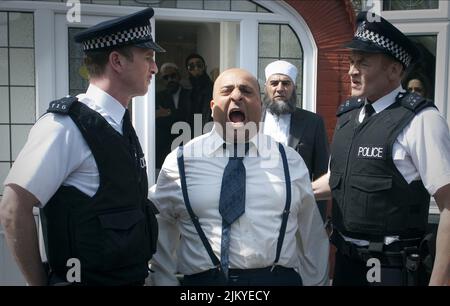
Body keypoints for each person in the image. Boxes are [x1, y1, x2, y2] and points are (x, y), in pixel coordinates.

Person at [0, 7, 164, 286]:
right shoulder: (65, 126)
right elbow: (13, 208)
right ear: (117, 61)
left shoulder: (120, 123)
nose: (154, 68)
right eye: (148, 58)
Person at [148, 68, 329, 286]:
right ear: (213, 108)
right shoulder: (181, 161)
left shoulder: (289, 161)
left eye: (246, 90)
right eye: (227, 91)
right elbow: (161, 232)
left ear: (260, 106)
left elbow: (312, 237)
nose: (237, 96)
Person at [312, 12, 450, 286]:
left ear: (394, 71)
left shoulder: (421, 120)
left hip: (389, 269)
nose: (352, 71)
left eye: (363, 63)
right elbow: (339, 179)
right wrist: (290, 192)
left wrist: (440, 281)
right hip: (345, 263)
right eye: (351, 62)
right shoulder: (349, 116)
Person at [262, 60, 329, 221]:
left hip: (298, 210)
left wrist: (318, 220)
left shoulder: (313, 122)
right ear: (266, 88)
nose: (280, 88)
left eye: (286, 83)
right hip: (259, 208)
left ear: (294, 88)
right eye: (274, 83)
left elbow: (321, 173)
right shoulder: (252, 119)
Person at [155, 62, 193, 170]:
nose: (170, 80)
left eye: (173, 76)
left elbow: (188, 116)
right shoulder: (157, 97)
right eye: (166, 77)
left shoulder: (190, 94)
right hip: (165, 149)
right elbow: (158, 122)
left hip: (187, 144)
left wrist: (168, 113)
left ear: (179, 76)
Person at [185, 53, 213, 130]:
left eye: (199, 65)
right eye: (192, 67)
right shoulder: (188, 94)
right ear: (188, 71)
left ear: (205, 67)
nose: (196, 69)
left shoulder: (214, 89)